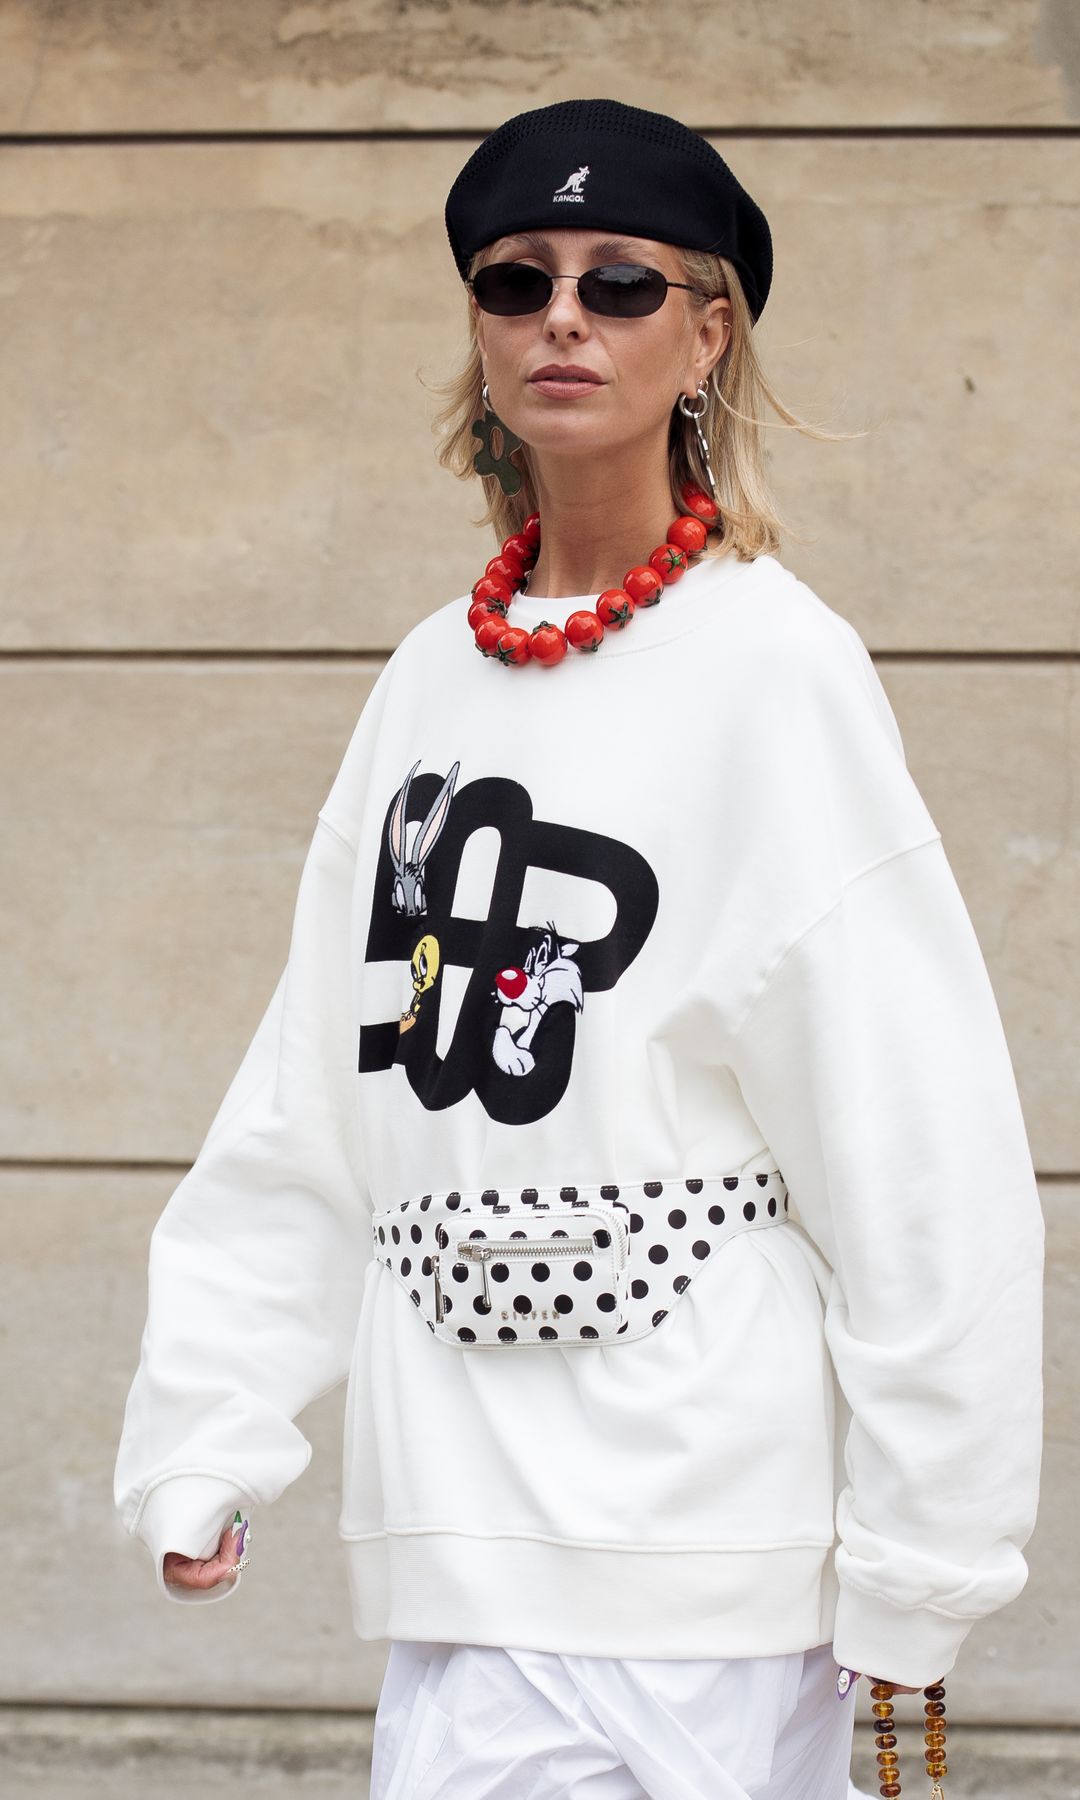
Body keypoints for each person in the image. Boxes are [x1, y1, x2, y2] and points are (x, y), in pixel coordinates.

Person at [113, 99, 1044, 1799]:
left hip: (707, 1558)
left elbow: (918, 1143)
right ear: (473, 335)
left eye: (622, 283)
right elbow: (315, 1098)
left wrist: (928, 1553)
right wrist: (213, 1421)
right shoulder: (425, 683)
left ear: (709, 334)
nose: (562, 314)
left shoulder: (777, 672)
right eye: (515, 276)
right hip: (461, 1544)